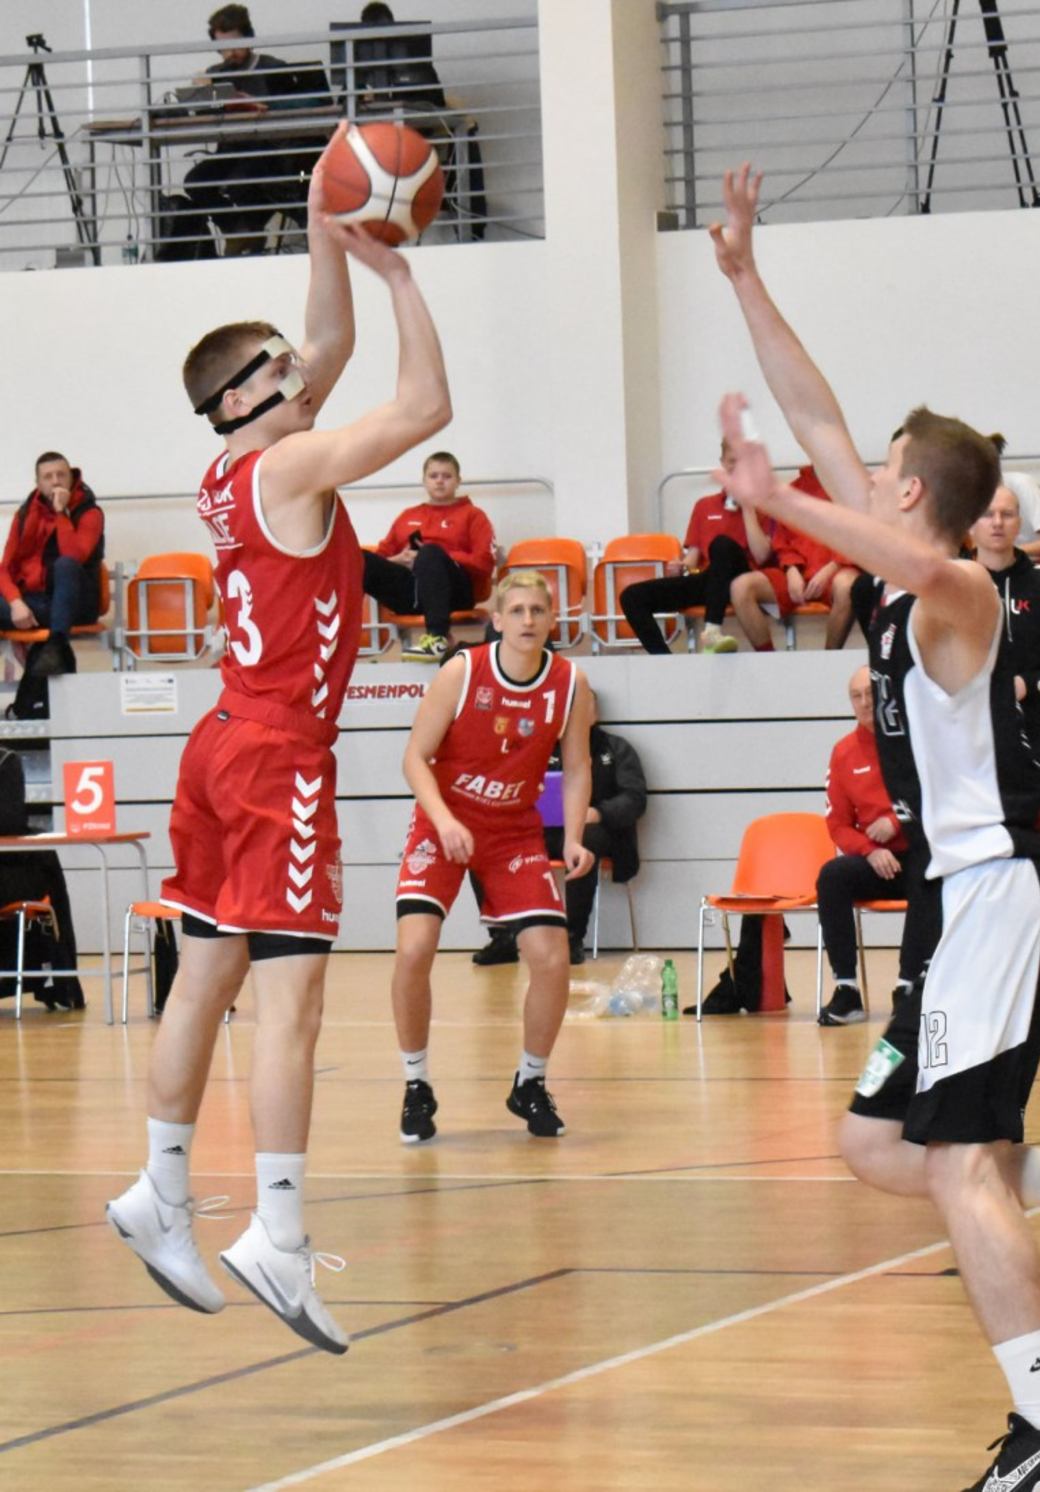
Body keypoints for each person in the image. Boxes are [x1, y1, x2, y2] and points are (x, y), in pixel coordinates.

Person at [711, 162, 1040, 1490]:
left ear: (912, 493)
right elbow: (814, 411)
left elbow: (906, 548)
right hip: (946, 900)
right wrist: (742, 275)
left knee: (964, 1163)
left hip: (990, 893)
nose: (855, 476)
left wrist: (774, 499)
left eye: (876, 475)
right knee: (878, 1146)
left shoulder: (961, 590)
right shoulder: (891, 566)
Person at [106, 129, 452, 1355]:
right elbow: (424, 404)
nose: (300, 366)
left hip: (219, 743)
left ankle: (159, 1189)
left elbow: (328, 340)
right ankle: (279, 1233)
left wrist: (324, 218)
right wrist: (399, 267)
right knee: (292, 1003)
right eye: (277, 365)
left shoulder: (236, 467)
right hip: (275, 758)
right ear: (240, 399)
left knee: (205, 976)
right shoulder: (292, 466)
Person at [393, 570, 593, 1143]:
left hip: (513, 832)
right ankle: (416, 1084)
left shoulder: (571, 683)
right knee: (414, 949)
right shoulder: (462, 671)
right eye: (518, 610)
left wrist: (572, 836)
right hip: (444, 823)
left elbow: (577, 766)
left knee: (551, 958)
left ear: (552, 619)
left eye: (539, 610)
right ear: (498, 620)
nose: (529, 620)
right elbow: (414, 757)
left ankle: (530, 1081)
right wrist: (444, 820)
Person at [473, 689, 647, 967]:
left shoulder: (615, 749)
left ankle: (572, 938)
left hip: (593, 832)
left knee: (587, 839)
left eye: (581, 708)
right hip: (542, 832)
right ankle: (502, 938)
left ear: (595, 714)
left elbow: (635, 798)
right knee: (481, 843)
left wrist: (598, 813)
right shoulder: (536, 747)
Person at [815, 666, 912, 1026]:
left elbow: (941, 799)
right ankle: (847, 989)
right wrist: (870, 850)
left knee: (933, 874)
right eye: (857, 696)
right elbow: (837, 824)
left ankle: (908, 986)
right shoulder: (844, 752)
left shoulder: (916, 740)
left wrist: (898, 821)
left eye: (871, 693)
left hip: (918, 852)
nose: (865, 702)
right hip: (876, 860)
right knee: (832, 876)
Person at [184, 5, 317, 257]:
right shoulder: (216, 74)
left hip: (267, 151)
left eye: (236, 44)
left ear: (250, 37)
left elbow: (304, 104)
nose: (230, 53)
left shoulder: (272, 68)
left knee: (241, 182)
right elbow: (205, 115)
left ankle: (250, 232)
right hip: (230, 150)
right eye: (223, 47)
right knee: (195, 182)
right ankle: (238, 228)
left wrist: (267, 105)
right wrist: (199, 95)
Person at [969, 484, 1040, 760]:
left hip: (1027, 730)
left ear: (1019, 523)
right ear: (971, 524)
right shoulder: (952, 582)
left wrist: (1025, 685)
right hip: (963, 730)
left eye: (1007, 514)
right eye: (987, 514)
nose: (997, 522)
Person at [619, 441, 757, 654]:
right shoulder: (704, 505)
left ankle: (712, 630)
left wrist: (748, 505)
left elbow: (763, 554)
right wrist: (681, 566)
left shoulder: (765, 504)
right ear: (723, 462)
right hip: (710, 580)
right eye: (732, 461)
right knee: (631, 596)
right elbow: (693, 556)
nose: (737, 467)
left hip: (744, 578)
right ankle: (664, 660)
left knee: (722, 545)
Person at [363, 450, 497, 662]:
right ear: (424, 481)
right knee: (361, 559)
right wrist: (400, 560)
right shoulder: (408, 516)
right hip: (414, 593)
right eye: (434, 476)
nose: (440, 481)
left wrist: (439, 556)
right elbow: (381, 558)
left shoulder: (473, 515)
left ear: (458, 481)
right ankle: (339, 639)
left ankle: (437, 637)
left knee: (430, 553)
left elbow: (484, 564)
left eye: (447, 476)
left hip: (456, 594)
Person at [727, 469, 857, 652]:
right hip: (799, 572)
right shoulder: (792, 491)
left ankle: (829, 657)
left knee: (846, 586)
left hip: (838, 568)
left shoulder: (853, 487)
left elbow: (860, 537)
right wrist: (791, 570)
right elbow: (782, 541)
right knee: (741, 587)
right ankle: (767, 658)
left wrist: (833, 566)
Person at [0, 452, 104, 678]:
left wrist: (62, 513)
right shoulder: (25, 514)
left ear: (71, 478)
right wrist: (16, 603)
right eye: (48, 477)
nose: (55, 481)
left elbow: (74, 555)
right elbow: (5, 568)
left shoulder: (90, 513)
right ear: (38, 483)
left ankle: (56, 646)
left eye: (61, 475)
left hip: (76, 605)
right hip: (35, 604)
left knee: (65, 564)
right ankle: (49, 657)